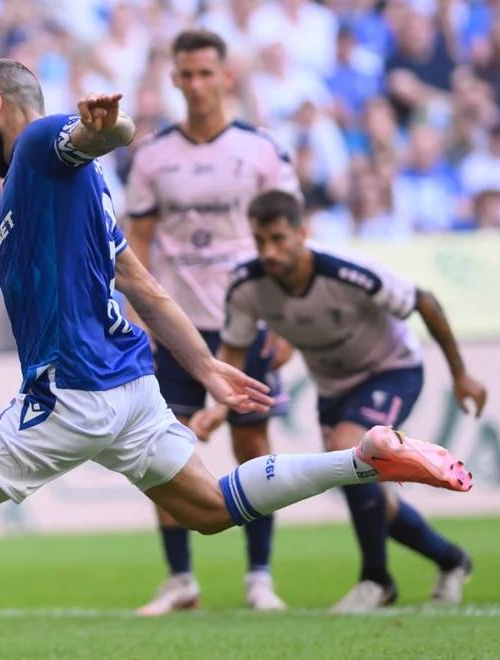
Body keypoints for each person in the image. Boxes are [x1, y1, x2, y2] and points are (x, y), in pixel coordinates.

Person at [0, 60, 472, 660]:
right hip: (132, 386)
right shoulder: (82, 195)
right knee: (212, 507)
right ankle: (366, 459)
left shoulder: (35, 147)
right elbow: (144, 286)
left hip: (74, 393)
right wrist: (211, 365)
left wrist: (108, 126)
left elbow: (97, 135)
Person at [191, 189, 485, 613]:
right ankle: (451, 559)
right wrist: (217, 408)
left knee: (349, 448)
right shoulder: (246, 285)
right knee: (369, 491)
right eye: (260, 241)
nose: (268, 252)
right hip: (333, 388)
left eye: (278, 239)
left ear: (302, 233)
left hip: (391, 368)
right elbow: (233, 352)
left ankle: (376, 579)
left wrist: (461, 374)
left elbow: (425, 301)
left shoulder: (348, 272)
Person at [124, 29, 299, 615]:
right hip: (175, 329)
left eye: (206, 73)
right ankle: (181, 581)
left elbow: (294, 239)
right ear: (174, 79)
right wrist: (136, 318)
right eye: (186, 74)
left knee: (252, 442)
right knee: (162, 452)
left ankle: (259, 576)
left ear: (226, 77)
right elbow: (136, 243)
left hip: (247, 321)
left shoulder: (261, 150)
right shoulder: (152, 155)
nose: (196, 84)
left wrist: (288, 321)